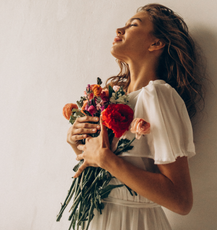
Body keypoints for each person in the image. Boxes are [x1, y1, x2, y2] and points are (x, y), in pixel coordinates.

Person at [67, 3, 204, 230]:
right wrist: (77, 145)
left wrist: (107, 160)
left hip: (134, 223)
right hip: (99, 217)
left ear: (156, 43)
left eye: (132, 25)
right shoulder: (111, 98)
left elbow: (181, 201)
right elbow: (104, 170)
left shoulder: (158, 96)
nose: (119, 30)